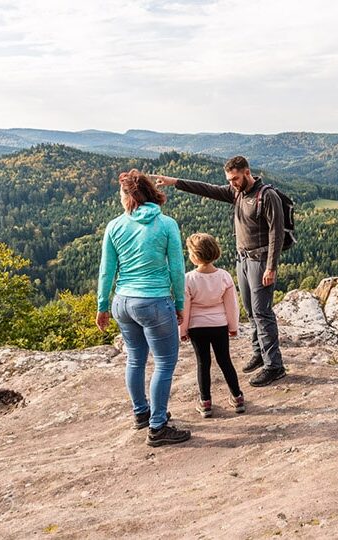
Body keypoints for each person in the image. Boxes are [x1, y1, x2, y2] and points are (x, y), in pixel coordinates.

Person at [151, 156, 286, 387]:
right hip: (242, 259)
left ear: (247, 172)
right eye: (229, 180)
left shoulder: (267, 195)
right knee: (250, 311)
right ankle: (259, 353)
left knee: (262, 312)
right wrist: (175, 182)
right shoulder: (236, 193)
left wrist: (271, 266)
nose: (232, 183)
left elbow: (277, 233)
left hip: (260, 261)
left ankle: (274, 365)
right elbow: (206, 189)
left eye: (235, 178)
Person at [96, 168, 190, 447]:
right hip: (153, 301)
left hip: (123, 302)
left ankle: (141, 413)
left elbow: (106, 271)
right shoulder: (166, 224)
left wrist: (102, 306)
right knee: (164, 363)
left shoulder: (115, 226)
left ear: (128, 197)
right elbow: (177, 269)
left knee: (135, 359)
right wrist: (180, 304)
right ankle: (158, 426)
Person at [180, 233, 245, 417]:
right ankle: (237, 396)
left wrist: (182, 331)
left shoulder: (188, 279)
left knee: (203, 363)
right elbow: (231, 304)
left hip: (197, 327)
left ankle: (205, 402)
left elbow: (185, 308)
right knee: (225, 360)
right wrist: (233, 327)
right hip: (219, 325)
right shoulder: (224, 277)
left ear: (194, 257)